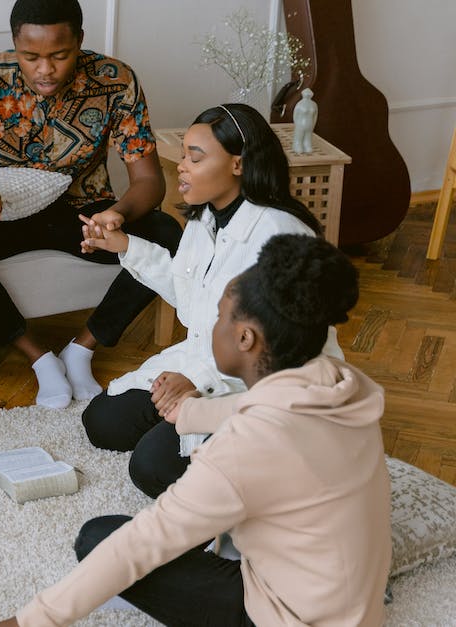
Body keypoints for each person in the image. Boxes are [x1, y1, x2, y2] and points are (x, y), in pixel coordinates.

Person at [0, 234, 390, 627]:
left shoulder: (247, 447)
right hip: (352, 607)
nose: (211, 329)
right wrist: (189, 414)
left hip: (285, 618)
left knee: (102, 538)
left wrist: (19, 624)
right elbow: (262, 405)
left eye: (218, 318)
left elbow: (147, 541)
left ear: (244, 339)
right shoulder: (338, 382)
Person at [78, 103, 342, 499]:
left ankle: (264, 462)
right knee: (102, 422)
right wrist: (123, 244)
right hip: (207, 358)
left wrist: (196, 383)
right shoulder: (206, 220)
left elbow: (278, 349)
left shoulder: (283, 235)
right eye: (184, 154)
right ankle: (179, 420)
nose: (182, 166)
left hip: (269, 384)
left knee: (151, 468)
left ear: (238, 164)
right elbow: (187, 290)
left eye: (194, 157)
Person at [0, 0, 182, 409]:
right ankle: (39, 360)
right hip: (8, 212)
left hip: (84, 214)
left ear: (80, 42)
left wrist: (116, 215)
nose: (44, 70)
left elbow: (148, 181)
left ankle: (82, 349)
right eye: (30, 56)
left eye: (59, 55)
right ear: (15, 44)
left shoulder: (115, 80)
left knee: (166, 233)